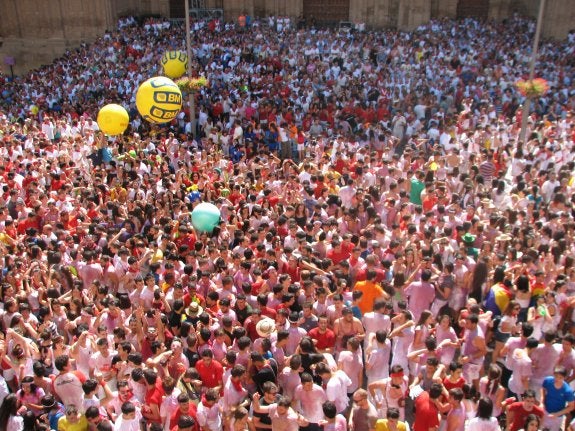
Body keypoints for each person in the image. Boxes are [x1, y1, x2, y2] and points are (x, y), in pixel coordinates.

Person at [540, 366, 575, 431]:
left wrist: (557, 414)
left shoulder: (567, 391)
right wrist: (542, 402)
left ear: (564, 378)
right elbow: (543, 388)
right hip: (545, 411)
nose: (557, 379)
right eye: (556, 376)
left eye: (560, 377)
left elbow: (571, 406)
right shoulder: (548, 380)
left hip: (557, 416)